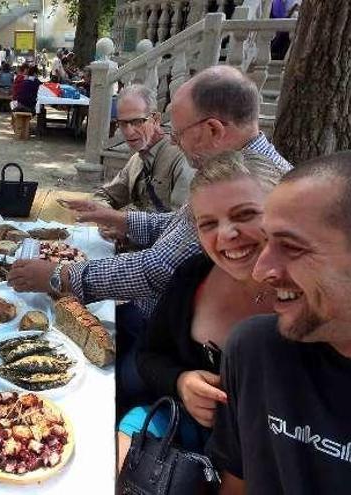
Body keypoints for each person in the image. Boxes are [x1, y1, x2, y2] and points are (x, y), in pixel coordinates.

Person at [7, 65, 292, 321]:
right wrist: (121, 220)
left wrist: (59, 276)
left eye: (179, 134)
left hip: (181, 335)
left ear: (214, 129)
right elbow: (178, 225)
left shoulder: (251, 180)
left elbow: (160, 268)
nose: (175, 143)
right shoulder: (238, 165)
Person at [209, 149, 351, 494]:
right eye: (268, 241)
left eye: (293, 248)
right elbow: (237, 484)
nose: (261, 271)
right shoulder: (255, 351)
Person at [116, 150, 283, 469]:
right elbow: (150, 355)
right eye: (208, 224)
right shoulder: (194, 275)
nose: (226, 235)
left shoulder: (313, 298)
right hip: (180, 427)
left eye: (245, 214)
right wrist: (181, 381)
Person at [93, 84, 192, 214]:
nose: (129, 131)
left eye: (137, 122)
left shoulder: (182, 159)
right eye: (123, 123)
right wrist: (107, 216)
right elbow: (104, 196)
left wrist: (126, 224)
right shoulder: (137, 160)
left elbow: (182, 224)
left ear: (155, 119)